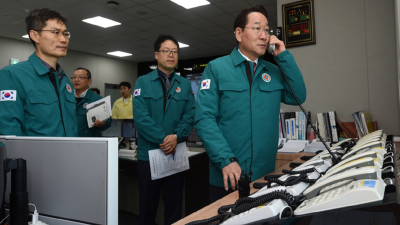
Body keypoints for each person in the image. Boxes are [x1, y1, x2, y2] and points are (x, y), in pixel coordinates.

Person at [194, 5, 307, 203]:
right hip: (229, 176)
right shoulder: (216, 68)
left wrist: (284, 57)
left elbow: (298, 96)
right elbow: (204, 119)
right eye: (257, 28)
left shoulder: (273, 70)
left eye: (266, 30)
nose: (264, 35)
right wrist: (226, 159)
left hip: (265, 176)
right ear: (239, 33)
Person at [133, 34, 195, 225]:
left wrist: (176, 136)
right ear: (156, 55)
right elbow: (141, 118)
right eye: (166, 51)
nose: (171, 55)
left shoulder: (185, 85)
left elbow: (190, 114)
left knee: (174, 209)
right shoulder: (142, 82)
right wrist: (165, 139)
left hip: (175, 156)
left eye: (175, 51)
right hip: (149, 156)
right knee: (147, 209)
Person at [0, 8, 77, 136]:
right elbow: (8, 133)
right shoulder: (12, 75)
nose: (63, 39)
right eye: (55, 32)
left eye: (65, 34)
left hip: (69, 154)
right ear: (35, 35)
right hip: (34, 156)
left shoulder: (64, 79)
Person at [72, 67, 111, 137]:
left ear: (89, 81)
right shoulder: (66, 98)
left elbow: (108, 123)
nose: (76, 80)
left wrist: (103, 123)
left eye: (81, 77)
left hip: (88, 143)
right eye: (74, 77)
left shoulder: (98, 100)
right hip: (67, 141)